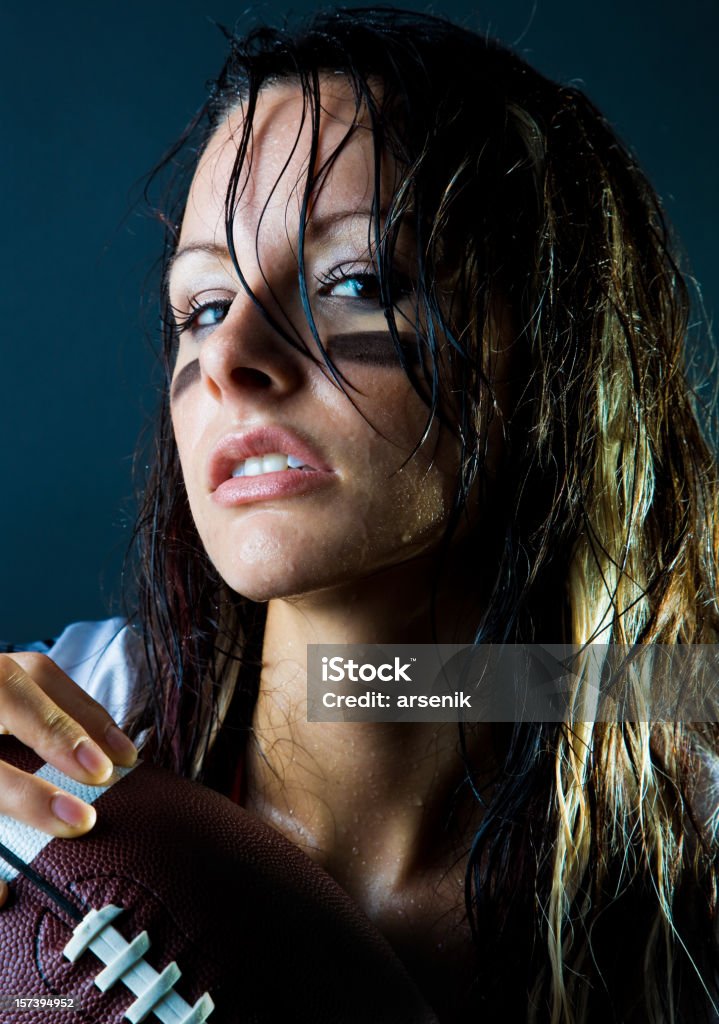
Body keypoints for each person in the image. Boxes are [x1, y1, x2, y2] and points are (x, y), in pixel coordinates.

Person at [0, 7, 717, 1021]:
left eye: (356, 282)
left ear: (556, 352)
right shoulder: (58, 743)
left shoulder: (682, 834)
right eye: (201, 305)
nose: (228, 359)